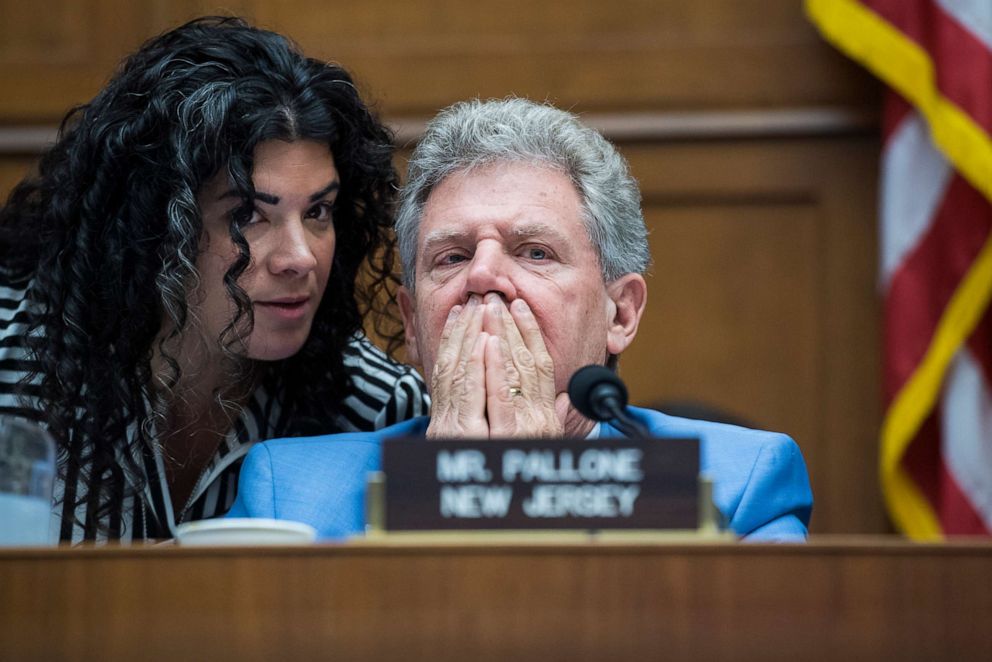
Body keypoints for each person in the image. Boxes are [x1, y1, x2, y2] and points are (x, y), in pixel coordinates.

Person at [227, 98, 813, 541]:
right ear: (412, 323)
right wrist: (448, 491)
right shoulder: (290, 494)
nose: (482, 275)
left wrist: (531, 491)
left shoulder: (735, 488)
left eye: (535, 252)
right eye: (451, 257)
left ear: (622, 313)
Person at [0, 17, 429, 543]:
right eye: (247, 214)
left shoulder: (375, 406)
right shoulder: (11, 349)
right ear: (154, 225)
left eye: (319, 211)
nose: (300, 257)